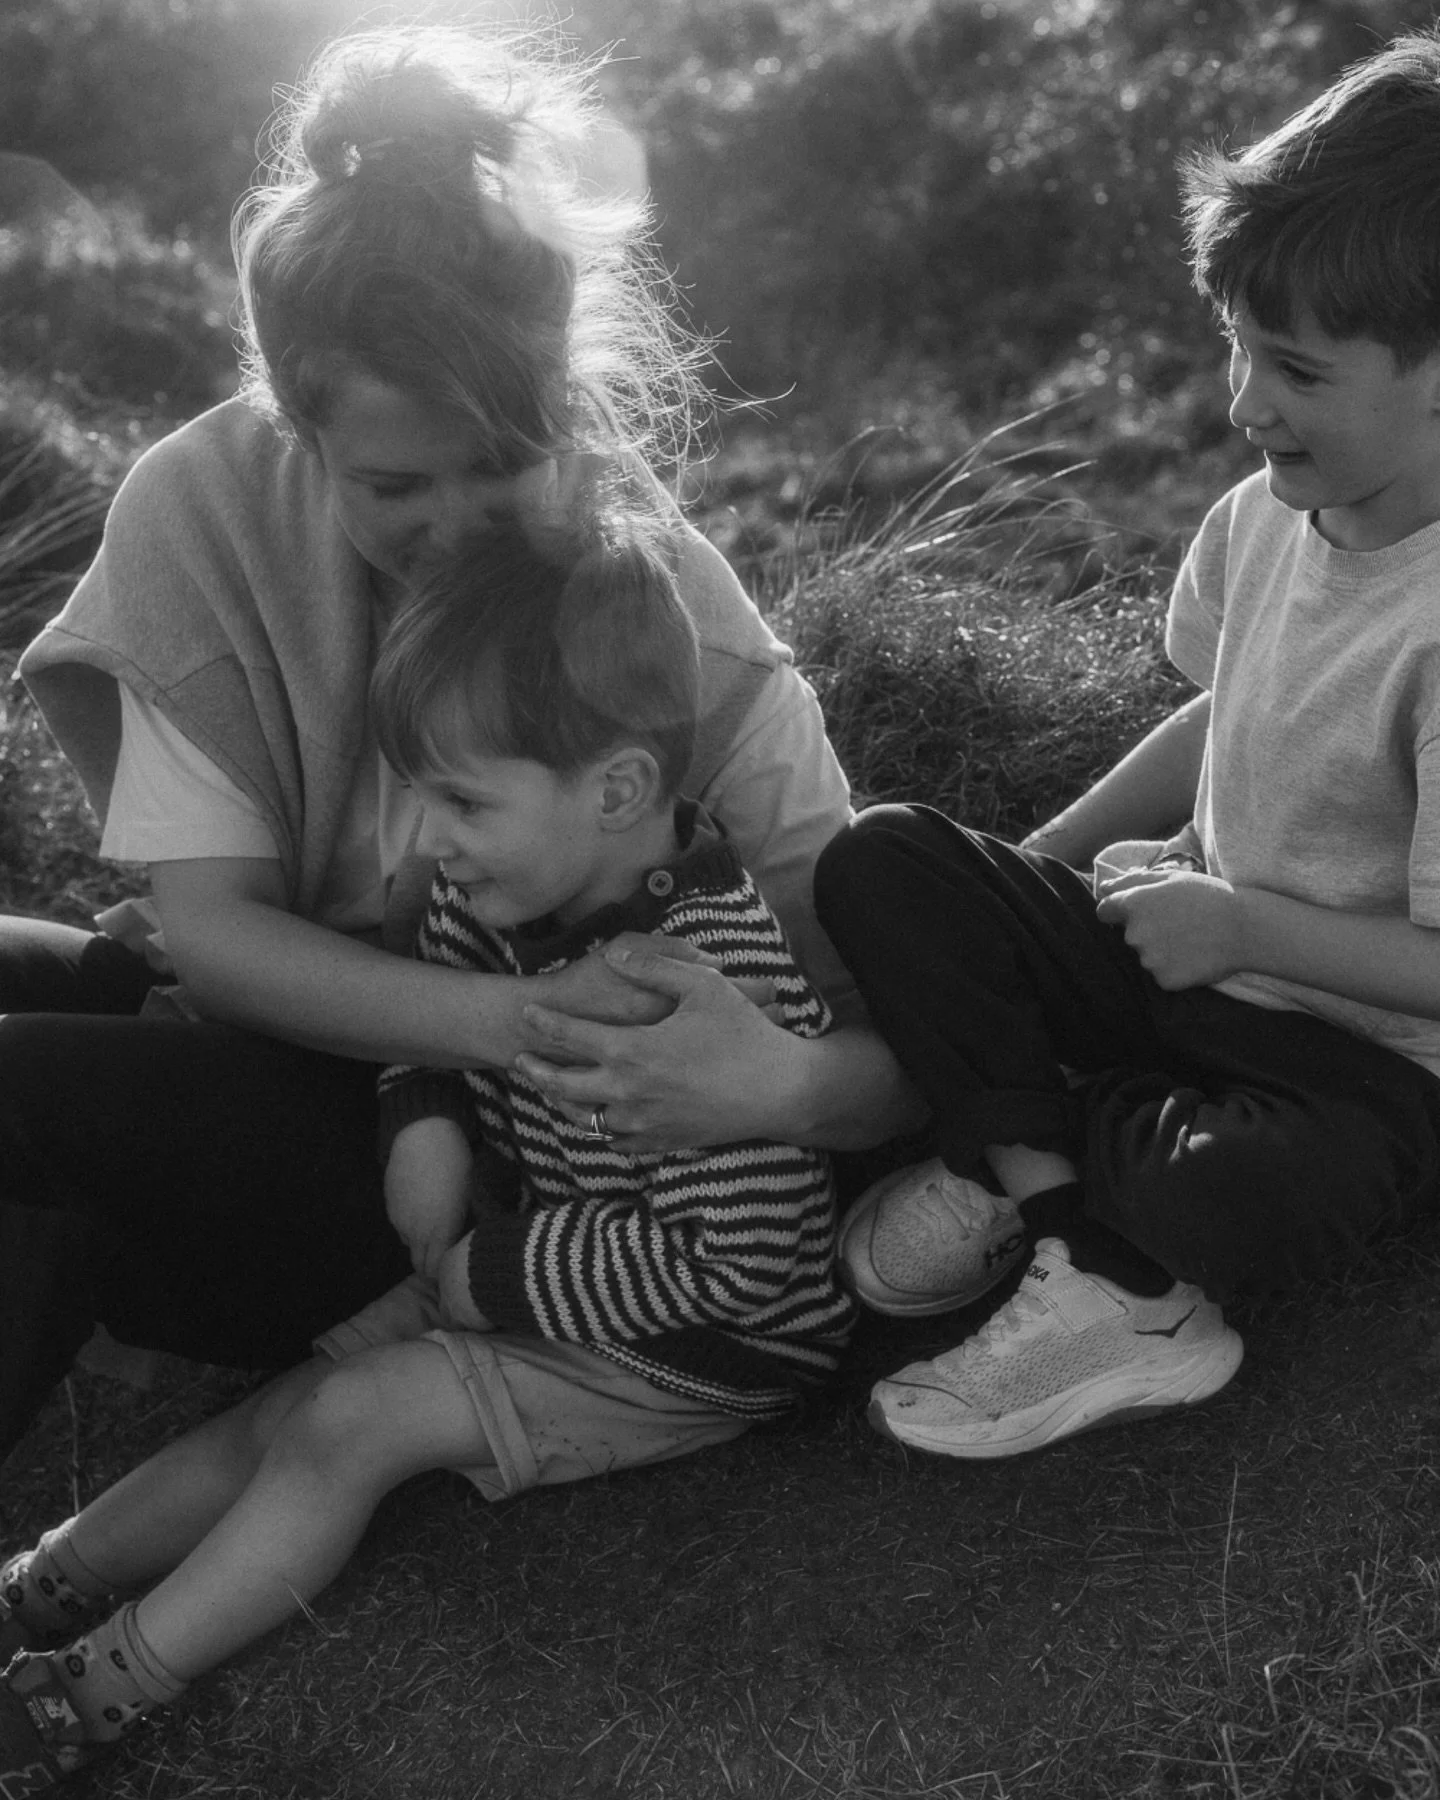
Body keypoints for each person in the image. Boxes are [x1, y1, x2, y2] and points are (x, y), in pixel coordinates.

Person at [0, 22, 916, 1461]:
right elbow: (221, 936)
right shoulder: (203, 515)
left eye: (506, 463)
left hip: (482, 1171)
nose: (458, 527)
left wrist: (781, 1082)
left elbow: (882, 982)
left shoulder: (663, 612)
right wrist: (516, 1019)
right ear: (294, 427)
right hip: (357, 1048)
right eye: (394, 484)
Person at [0, 506, 856, 1785]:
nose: (431, 836)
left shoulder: (686, 992)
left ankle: (87, 1695)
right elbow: (433, 1007)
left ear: (619, 788)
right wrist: (424, 1116)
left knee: (350, 1420)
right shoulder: (495, 886)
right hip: (533, 1253)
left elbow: (735, 1259)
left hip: (698, 1342)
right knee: (280, 1408)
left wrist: (485, 1280)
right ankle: (43, 1581)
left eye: (462, 799)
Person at [812, 27, 1440, 1459]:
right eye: (1235, 344)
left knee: (1248, 1188)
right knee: (889, 864)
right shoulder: (1265, 514)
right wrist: (1032, 874)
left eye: (1293, 366)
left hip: (1360, 1065)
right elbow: (1229, 707)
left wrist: (1241, 928)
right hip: (1183, 954)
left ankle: (1090, 1225)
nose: (1241, 402)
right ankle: (1058, 1198)